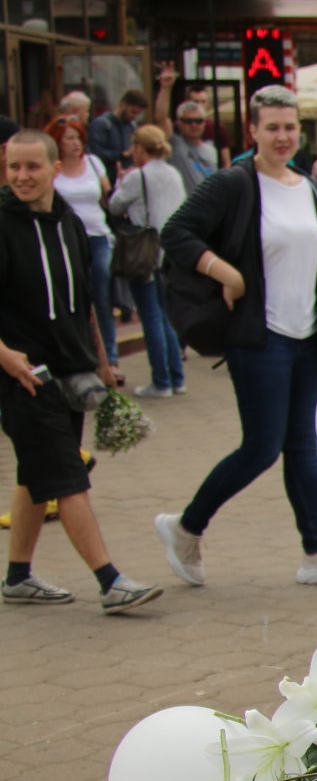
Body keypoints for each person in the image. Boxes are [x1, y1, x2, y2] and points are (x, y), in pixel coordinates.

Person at [156, 85, 317, 588]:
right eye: (272, 127)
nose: (282, 137)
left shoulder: (308, 186)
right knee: (261, 447)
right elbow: (176, 232)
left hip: (306, 338)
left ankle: (316, 550)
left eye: (289, 127)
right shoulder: (234, 183)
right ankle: (186, 527)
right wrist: (225, 273)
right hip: (259, 336)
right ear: (252, 131)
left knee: (301, 443)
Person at [0, 131, 162, 612]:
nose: (22, 177)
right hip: (21, 375)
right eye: (13, 168)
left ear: (55, 168)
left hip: (69, 371)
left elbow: (84, 303)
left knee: (39, 472)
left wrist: (100, 361)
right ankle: (111, 581)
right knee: (68, 477)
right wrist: (6, 355)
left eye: (32, 167)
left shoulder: (70, 223)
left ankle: (17, 577)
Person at [108, 126, 187, 399]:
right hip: (170, 252)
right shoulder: (173, 173)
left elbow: (115, 206)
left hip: (144, 251)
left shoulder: (137, 176)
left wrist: (120, 181)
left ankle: (161, 380)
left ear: (140, 148)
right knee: (166, 315)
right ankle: (176, 378)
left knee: (151, 316)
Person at [46, 117, 116, 369]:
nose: (75, 143)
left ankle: (110, 357)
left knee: (101, 294)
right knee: (74, 295)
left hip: (98, 235)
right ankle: (82, 353)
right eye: (69, 138)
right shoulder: (53, 169)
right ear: (58, 141)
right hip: (66, 239)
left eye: (78, 137)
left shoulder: (94, 163)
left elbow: (107, 195)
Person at [87, 89, 146, 174]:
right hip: (107, 176)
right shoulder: (102, 124)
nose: (134, 117)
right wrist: (122, 155)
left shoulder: (132, 126)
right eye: (133, 112)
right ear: (123, 105)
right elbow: (96, 153)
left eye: (138, 114)